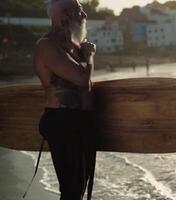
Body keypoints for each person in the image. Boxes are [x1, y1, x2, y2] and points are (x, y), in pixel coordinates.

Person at [26, 0, 97, 199]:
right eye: (80, 10)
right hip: (63, 122)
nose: (84, 15)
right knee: (71, 191)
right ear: (66, 14)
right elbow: (82, 79)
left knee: (78, 189)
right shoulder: (47, 45)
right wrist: (90, 56)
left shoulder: (71, 46)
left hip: (79, 122)